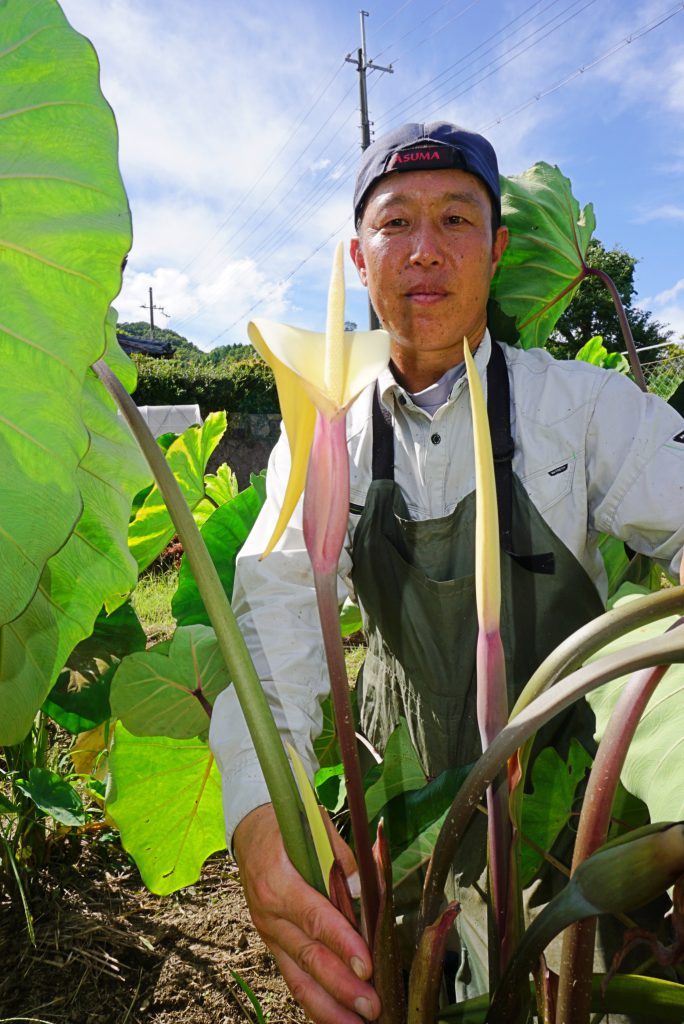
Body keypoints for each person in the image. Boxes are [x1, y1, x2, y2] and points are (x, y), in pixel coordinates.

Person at [209, 121, 684, 1024]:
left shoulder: (580, 410)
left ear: (497, 249)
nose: (425, 250)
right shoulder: (325, 436)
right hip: (403, 812)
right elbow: (272, 647)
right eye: (396, 223)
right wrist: (262, 824)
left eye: (457, 219)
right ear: (359, 256)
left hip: (555, 815)